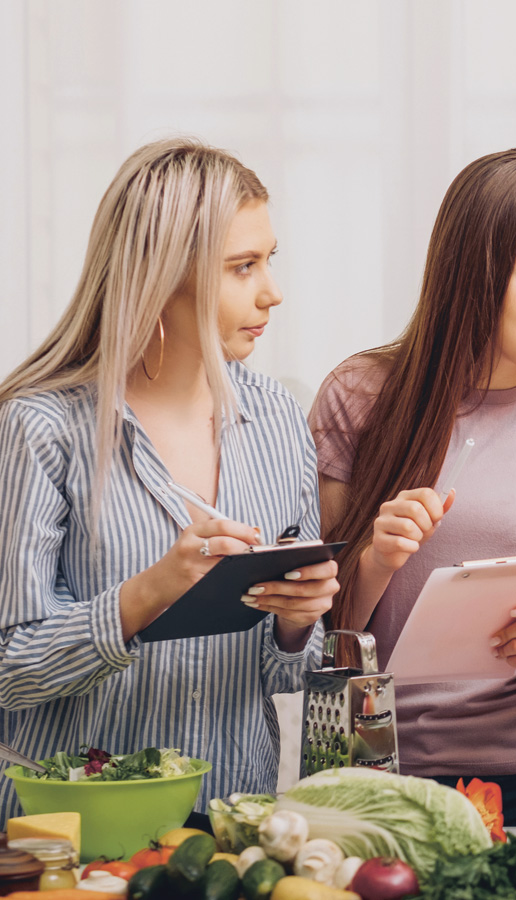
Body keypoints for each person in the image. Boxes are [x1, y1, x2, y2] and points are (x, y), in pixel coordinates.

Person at [309, 148, 516, 826]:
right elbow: (320, 631)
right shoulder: (360, 397)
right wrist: (377, 558)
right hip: (380, 775)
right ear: (473, 274)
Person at [0, 138, 334, 818]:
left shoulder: (278, 421)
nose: (272, 291)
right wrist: (149, 593)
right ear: (160, 276)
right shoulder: (41, 428)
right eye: (243, 267)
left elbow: (289, 676)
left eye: (269, 261)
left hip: (230, 836)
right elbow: (11, 666)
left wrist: (299, 625)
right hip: (74, 842)